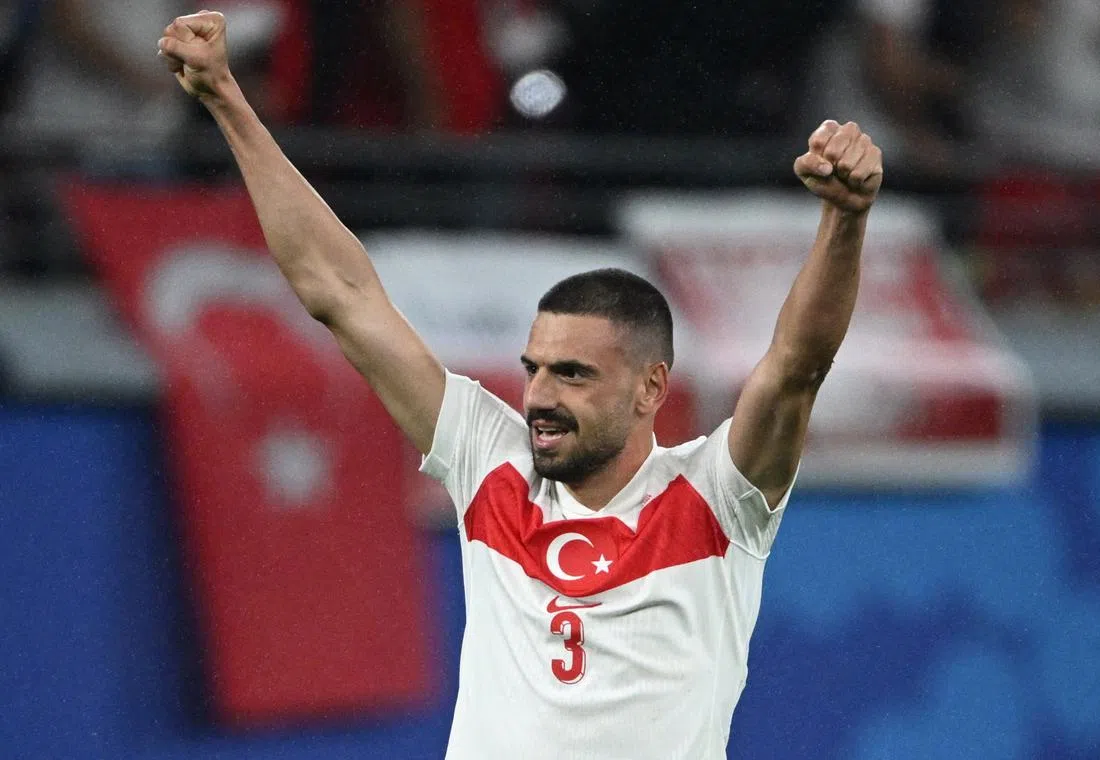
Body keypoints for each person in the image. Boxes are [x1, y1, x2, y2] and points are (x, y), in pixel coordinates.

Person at [157, 10, 882, 758]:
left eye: (573, 374)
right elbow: (339, 292)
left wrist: (846, 220)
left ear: (649, 388)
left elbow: (797, 365)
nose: (538, 395)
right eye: (535, 368)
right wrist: (225, 99)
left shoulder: (717, 498)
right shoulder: (489, 464)